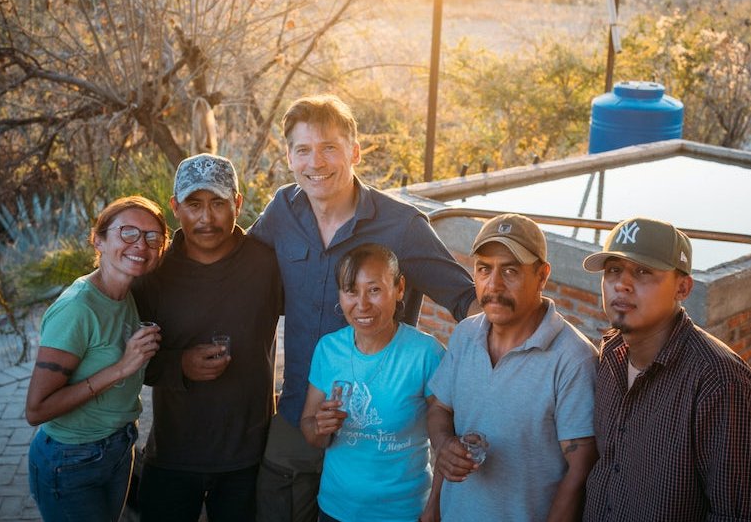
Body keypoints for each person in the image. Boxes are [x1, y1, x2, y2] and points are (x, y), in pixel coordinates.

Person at [248, 94, 478, 522]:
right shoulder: (284, 209)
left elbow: (468, 301)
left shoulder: (402, 226)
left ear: (354, 152)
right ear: (289, 158)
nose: (316, 163)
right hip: (303, 411)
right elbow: (241, 271)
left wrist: (505, 374)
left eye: (329, 148)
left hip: (380, 434)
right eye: (303, 150)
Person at [581, 217, 751, 521]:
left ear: (682, 288)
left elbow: (737, 515)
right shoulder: (611, 353)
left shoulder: (720, 383)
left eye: (643, 271)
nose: (621, 284)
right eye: (613, 270)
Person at [132, 153, 283, 521]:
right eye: (194, 204)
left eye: (218, 203)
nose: (206, 218)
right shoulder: (153, 271)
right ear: (175, 207)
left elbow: (316, 316)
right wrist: (179, 363)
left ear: (238, 204)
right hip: (173, 452)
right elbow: (127, 361)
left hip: (248, 455)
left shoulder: (267, 264)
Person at [427, 213, 598, 522]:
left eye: (510, 271)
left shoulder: (574, 358)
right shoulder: (466, 334)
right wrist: (443, 446)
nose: (494, 284)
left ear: (542, 276)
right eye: (484, 269)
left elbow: (579, 470)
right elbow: (440, 408)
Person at [26, 195, 167, 522]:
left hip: (118, 447)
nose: (141, 244)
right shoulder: (77, 308)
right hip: (71, 459)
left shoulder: (125, 294)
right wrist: (121, 368)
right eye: (128, 232)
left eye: (152, 237)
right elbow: (36, 409)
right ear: (98, 240)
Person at [300, 243, 444, 522]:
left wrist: (434, 508)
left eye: (374, 290)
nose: (362, 304)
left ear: (400, 288)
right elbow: (310, 430)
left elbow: (447, 443)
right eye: (351, 291)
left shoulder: (427, 354)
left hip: (402, 512)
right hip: (335, 508)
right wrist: (320, 426)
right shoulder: (328, 349)